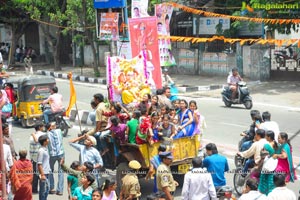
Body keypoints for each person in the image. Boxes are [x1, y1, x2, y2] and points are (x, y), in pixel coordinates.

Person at [46, 122, 64, 195]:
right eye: (53, 125)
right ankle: (60, 190)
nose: (55, 126)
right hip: (61, 154)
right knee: (61, 171)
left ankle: (52, 188)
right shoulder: (59, 131)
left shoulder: (46, 134)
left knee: (50, 171)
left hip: (52, 155)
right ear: (51, 127)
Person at [258, 131, 279, 195]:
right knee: (270, 181)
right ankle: (270, 194)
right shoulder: (277, 144)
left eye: (266, 136)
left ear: (269, 137)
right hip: (274, 165)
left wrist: (259, 165)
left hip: (267, 166)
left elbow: (262, 156)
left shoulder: (266, 146)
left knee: (263, 181)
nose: (265, 137)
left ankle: (263, 194)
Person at [29, 123, 46, 193]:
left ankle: (34, 189)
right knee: (43, 173)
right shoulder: (43, 135)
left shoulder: (31, 136)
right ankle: (42, 189)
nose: (43, 127)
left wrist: (31, 158)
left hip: (34, 158)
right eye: (42, 126)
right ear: (40, 127)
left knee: (35, 174)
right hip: (42, 157)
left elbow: (31, 148)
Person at [37, 134, 51, 200]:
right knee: (43, 191)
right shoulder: (41, 151)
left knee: (47, 190)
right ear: (44, 141)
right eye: (47, 139)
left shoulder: (46, 149)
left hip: (47, 172)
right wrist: (42, 174)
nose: (49, 140)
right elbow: (39, 164)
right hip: (43, 173)